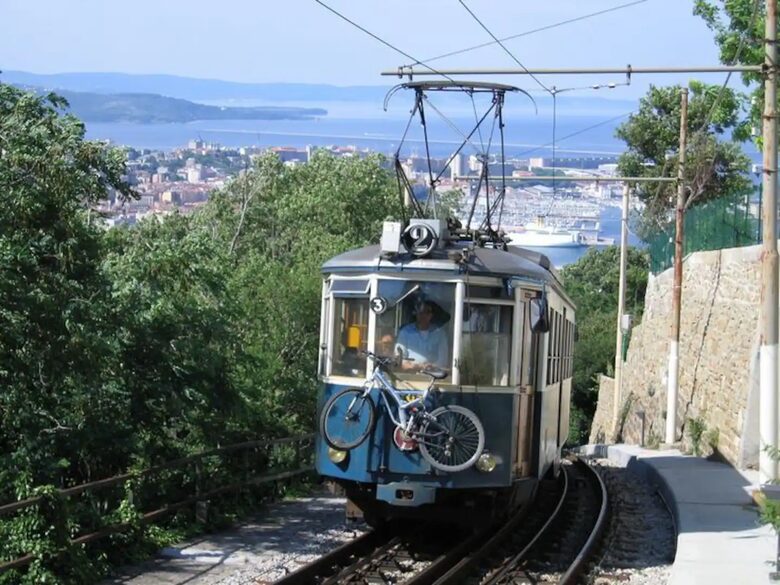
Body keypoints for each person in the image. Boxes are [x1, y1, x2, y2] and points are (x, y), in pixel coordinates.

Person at [395, 300, 449, 371]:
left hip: (433, 374)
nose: (423, 315)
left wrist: (431, 366)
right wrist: (412, 366)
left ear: (431, 315)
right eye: (420, 312)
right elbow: (400, 357)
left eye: (427, 312)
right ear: (416, 313)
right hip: (409, 374)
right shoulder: (405, 332)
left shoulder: (439, 333)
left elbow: (443, 360)